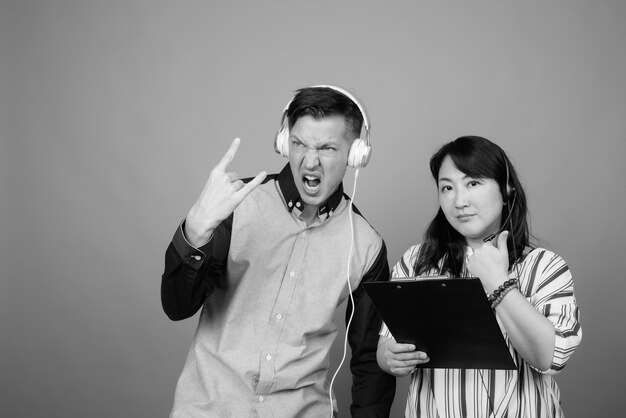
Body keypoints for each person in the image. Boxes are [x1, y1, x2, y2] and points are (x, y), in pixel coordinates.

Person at [161, 85, 395, 417]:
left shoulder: (367, 245)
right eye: (299, 144)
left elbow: (370, 362)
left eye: (327, 148)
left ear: (356, 154)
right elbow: (176, 306)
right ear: (285, 143)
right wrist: (196, 231)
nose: (310, 161)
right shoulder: (237, 205)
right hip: (210, 408)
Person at [376, 136, 582, 417]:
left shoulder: (544, 266)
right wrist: (390, 358)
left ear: (506, 189)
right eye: (447, 188)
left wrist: (500, 285)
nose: (460, 201)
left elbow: (550, 358)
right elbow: (385, 345)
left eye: (473, 183)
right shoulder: (416, 262)